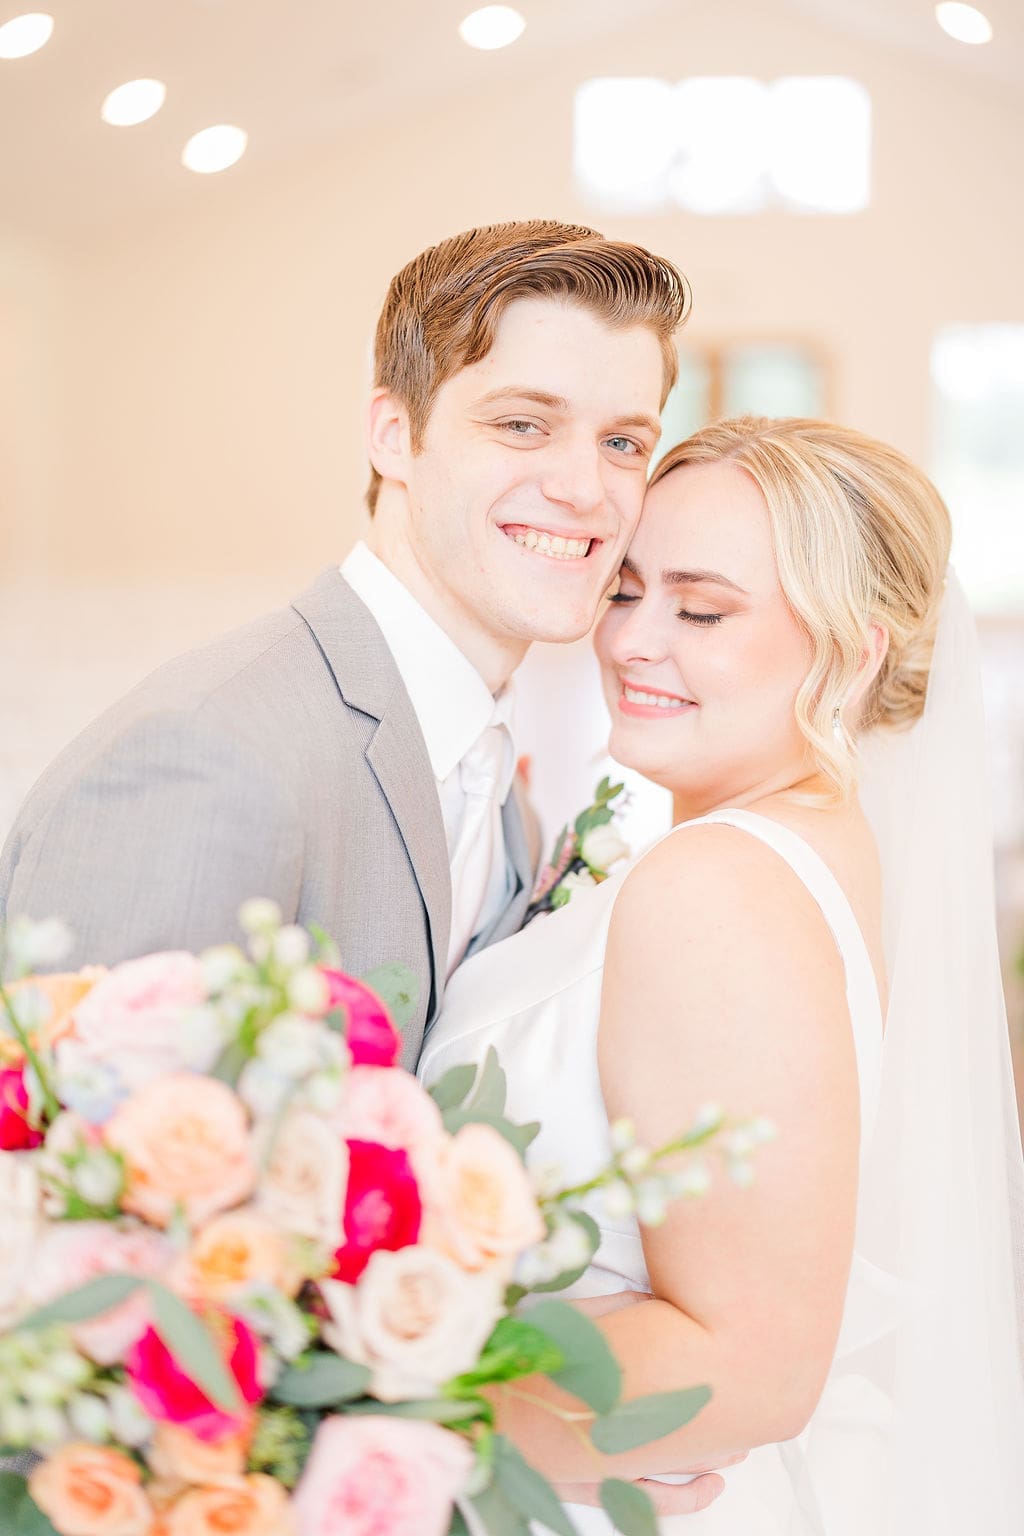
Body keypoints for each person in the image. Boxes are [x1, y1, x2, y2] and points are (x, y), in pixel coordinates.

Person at [420, 416, 1024, 1532]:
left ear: (856, 652)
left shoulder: (718, 886)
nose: (633, 641)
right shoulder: (804, 853)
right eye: (624, 591)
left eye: (700, 609)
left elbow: (744, 1372)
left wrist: (368, 1397)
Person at [0, 219, 688, 1074]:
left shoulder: (493, 769)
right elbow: (68, 1172)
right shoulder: (206, 758)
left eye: (623, 443)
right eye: (521, 425)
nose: (585, 488)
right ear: (393, 435)